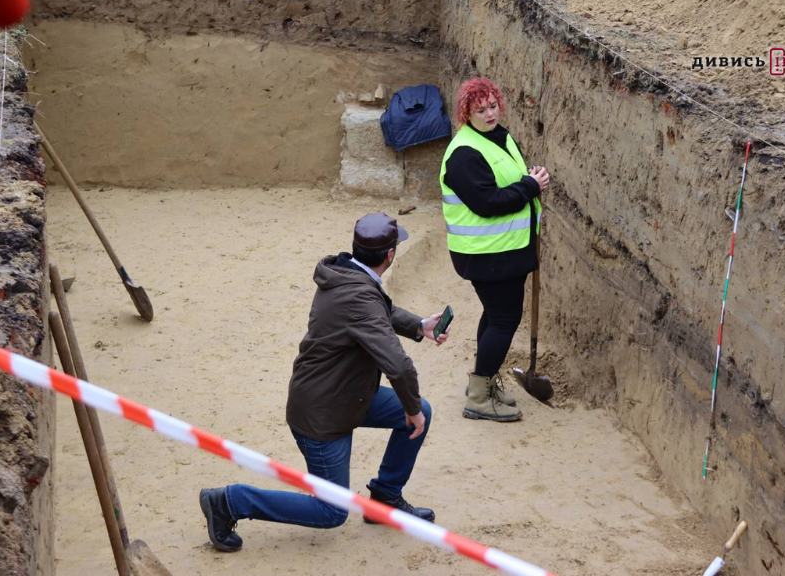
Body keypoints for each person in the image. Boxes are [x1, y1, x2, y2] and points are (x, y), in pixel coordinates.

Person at [199, 212, 449, 552]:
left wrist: (420, 325)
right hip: (322, 416)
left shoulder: (348, 275)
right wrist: (411, 408)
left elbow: (381, 311)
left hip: (348, 397)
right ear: (390, 255)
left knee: (424, 411)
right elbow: (399, 367)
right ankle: (229, 502)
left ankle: (386, 497)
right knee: (331, 511)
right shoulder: (358, 295)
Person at [439, 77, 550, 423]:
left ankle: (483, 384)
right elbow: (487, 202)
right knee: (504, 319)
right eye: (480, 109)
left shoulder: (498, 137)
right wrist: (531, 186)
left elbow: (505, 181)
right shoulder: (464, 155)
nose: (490, 113)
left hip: (505, 248)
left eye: (492, 105)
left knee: (494, 315)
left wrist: (528, 179)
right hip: (486, 254)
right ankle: (478, 396)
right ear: (465, 114)